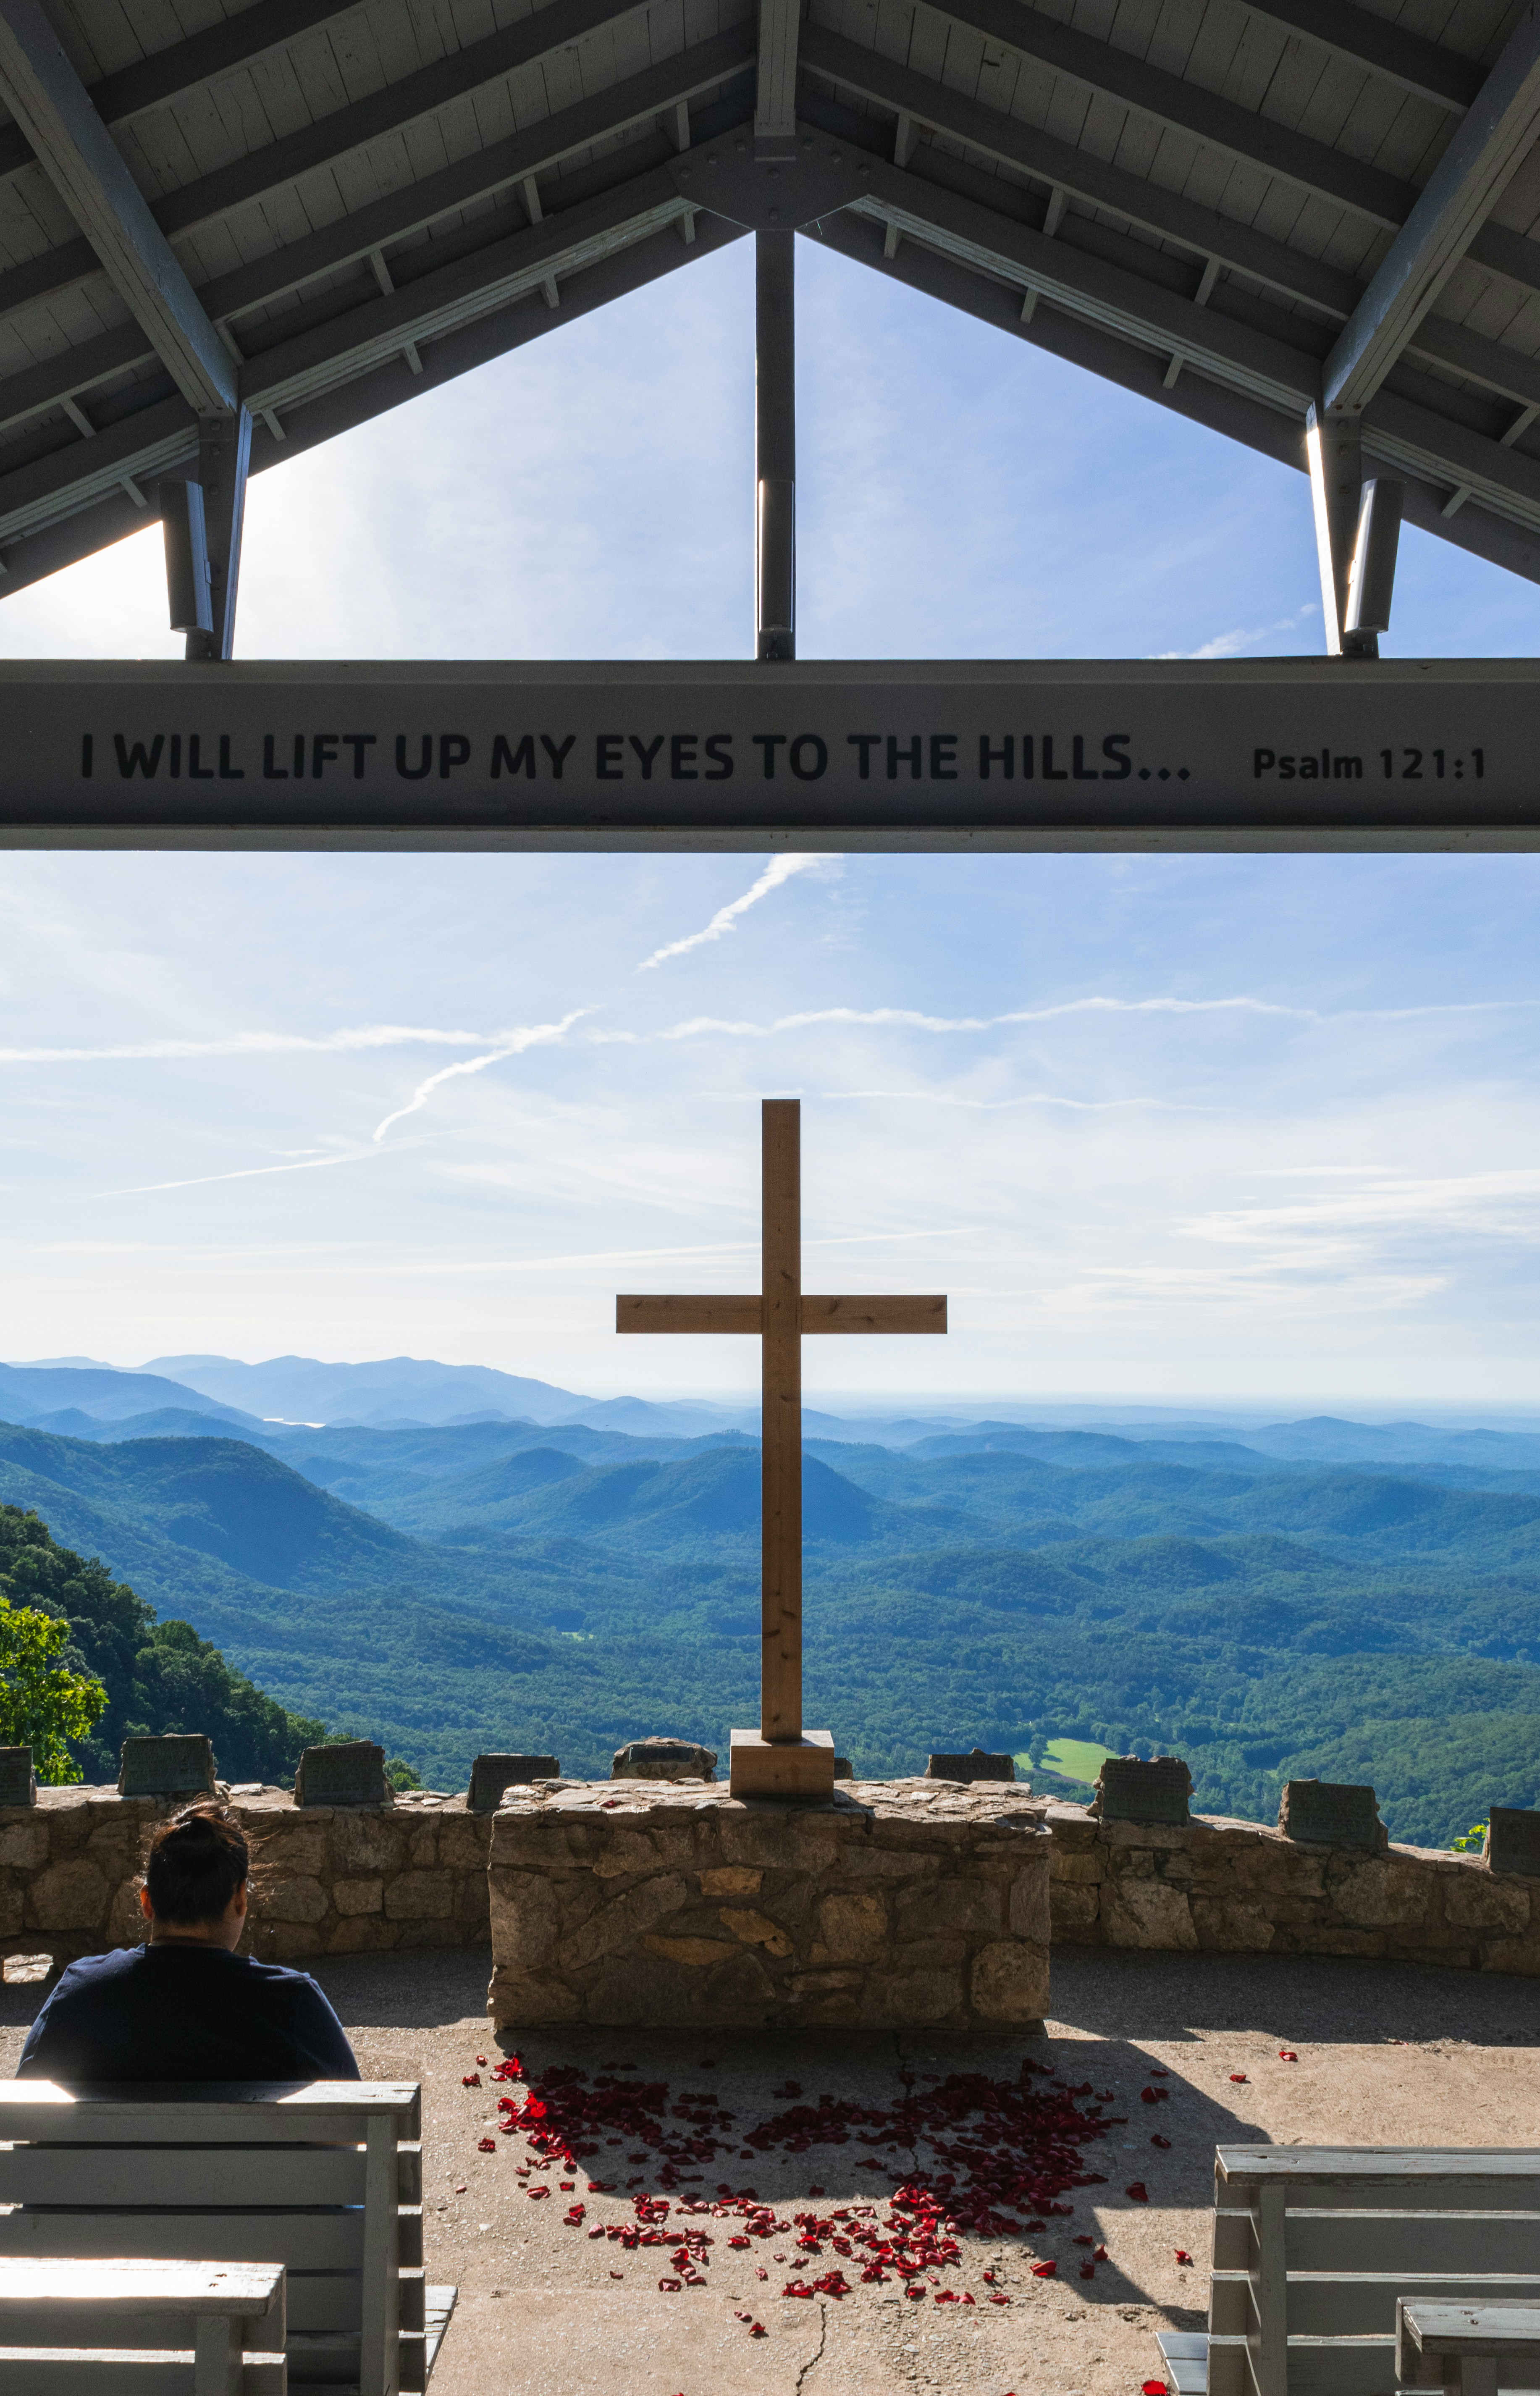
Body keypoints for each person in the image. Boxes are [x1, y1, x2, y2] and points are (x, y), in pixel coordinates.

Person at [17, 1803, 360, 2083]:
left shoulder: (80, 1992)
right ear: (240, 1899)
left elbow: (26, 2114)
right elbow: (354, 2126)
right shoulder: (295, 2003)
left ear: (147, 1902)